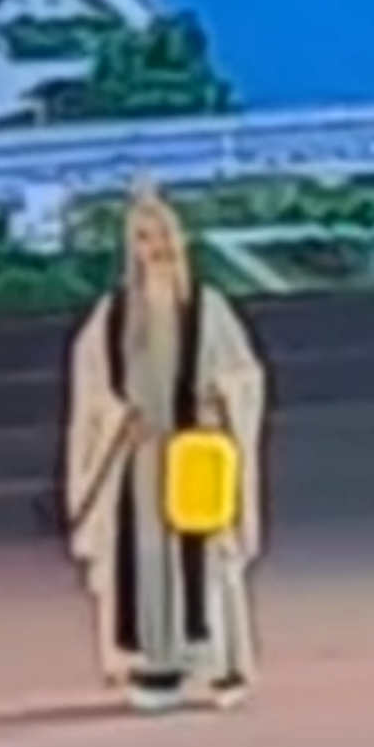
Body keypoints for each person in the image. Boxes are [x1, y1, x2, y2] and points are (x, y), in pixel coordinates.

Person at [62, 183, 268, 712]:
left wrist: (221, 399)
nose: (155, 247)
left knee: (206, 554)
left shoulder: (207, 308)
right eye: (143, 238)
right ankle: (156, 665)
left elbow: (245, 375)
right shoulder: (112, 316)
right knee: (147, 557)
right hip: (139, 460)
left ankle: (215, 662)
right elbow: (91, 389)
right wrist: (115, 419)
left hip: (193, 455)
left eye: (161, 236)